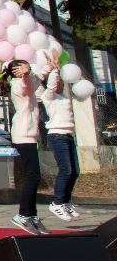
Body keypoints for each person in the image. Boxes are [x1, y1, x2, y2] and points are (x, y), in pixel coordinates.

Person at [3, 59, 48, 235]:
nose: (28, 69)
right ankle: (23, 215)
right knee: (33, 176)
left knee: (34, 177)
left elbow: (38, 78)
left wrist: (50, 67)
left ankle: (32, 216)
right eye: (23, 67)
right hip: (23, 135)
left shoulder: (26, 80)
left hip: (29, 135)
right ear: (15, 72)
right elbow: (29, 86)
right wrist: (27, 74)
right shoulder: (18, 85)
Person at [41, 53, 81, 224]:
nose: (59, 83)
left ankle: (65, 201)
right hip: (57, 136)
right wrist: (55, 69)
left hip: (68, 136)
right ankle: (57, 202)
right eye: (57, 81)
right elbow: (50, 86)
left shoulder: (64, 97)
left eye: (61, 81)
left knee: (75, 171)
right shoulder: (48, 97)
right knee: (66, 170)